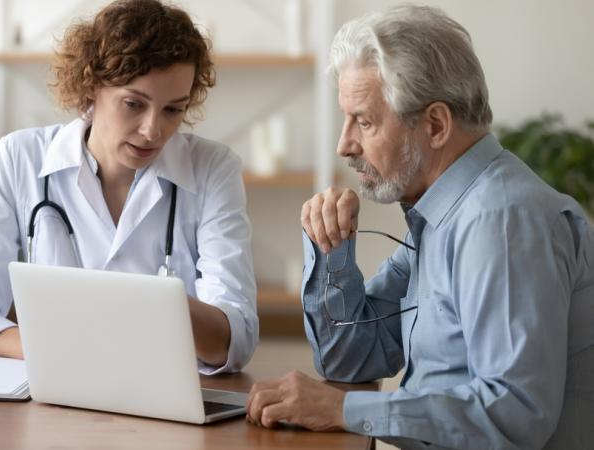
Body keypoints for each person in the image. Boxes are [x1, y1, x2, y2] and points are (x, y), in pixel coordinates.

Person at [246, 4, 594, 449]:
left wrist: (339, 410)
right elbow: (353, 358)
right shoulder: (438, 218)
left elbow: (515, 413)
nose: (344, 144)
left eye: (364, 121)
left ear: (434, 125)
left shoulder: (501, 221)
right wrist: (331, 251)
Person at [0, 0, 258, 375]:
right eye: (134, 104)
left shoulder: (213, 169)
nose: (153, 131)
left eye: (173, 110)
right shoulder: (18, 158)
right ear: (91, 87)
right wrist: (62, 351)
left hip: (161, 394)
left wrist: (157, 305)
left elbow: (236, 339)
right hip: (52, 388)